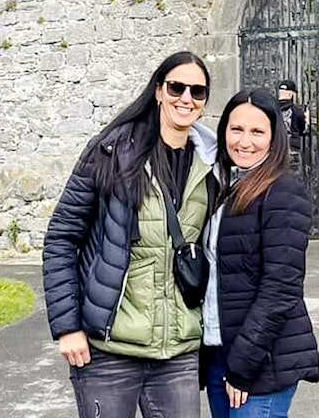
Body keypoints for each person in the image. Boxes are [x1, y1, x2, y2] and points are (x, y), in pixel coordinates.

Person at [42, 51, 219, 418]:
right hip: (110, 349)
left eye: (197, 92)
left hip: (178, 352)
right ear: (158, 90)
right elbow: (62, 236)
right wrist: (67, 327)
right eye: (177, 87)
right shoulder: (111, 151)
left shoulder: (211, 164)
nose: (186, 98)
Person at [202, 89, 319, 418]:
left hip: (261, 361)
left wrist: (243, 364)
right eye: (236, 129)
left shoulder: (283, 192)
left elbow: (281, 288)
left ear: (273, 138)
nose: (245, 141)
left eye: (257, 132)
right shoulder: (222, 187)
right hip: (219, 352)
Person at [275, 79, 307, 169]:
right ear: (291, 94)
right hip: (292, 147)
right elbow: (303, 129)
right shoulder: (296, 111)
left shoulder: (271, 109)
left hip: (275, 147)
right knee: (292, 175)